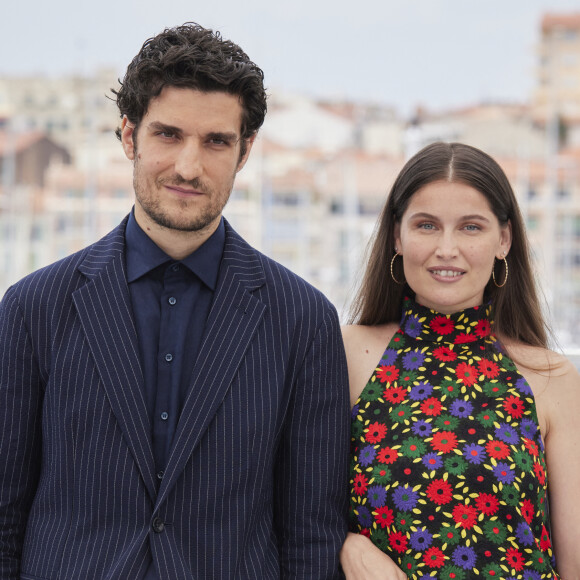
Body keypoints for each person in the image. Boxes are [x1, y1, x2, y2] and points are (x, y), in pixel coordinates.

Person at [0, 23, 350, 579]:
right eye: (168, 135)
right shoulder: (32, 308)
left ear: (245, 152)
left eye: (216, 141)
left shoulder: (302, 319)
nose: (189, 167)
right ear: (128, 137)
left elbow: (312, 533)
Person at [339, 142, 580, 579]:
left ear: (503, 239)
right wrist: (347, 545)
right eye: (427, 225)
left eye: (471, 228)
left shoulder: (553, 379)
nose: (446, 249)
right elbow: (287, 506)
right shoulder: (346, 354)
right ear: (397, 235)